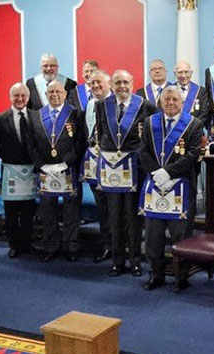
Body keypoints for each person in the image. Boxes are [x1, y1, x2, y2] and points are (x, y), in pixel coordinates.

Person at [138, 85, 205, 291]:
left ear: (182, 102)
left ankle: (181, 276)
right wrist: (156, 174)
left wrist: (169, 173)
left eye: (175, 99)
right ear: (160, 102)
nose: (171, 103)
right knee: (153, 237)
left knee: (181, 236)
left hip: (181, 186)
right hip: (155, 186)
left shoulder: (194, 124)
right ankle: (155, 274)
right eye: (166, 99)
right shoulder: (150, 122)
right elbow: (143, 151)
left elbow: (193, 154)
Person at [96, 70, 157, 277]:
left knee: (133, 218)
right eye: (117, 82)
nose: (122, 86)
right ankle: (117, 261)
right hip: (111, 170)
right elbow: (101, 133)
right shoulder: (103, 105)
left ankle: (136, 261)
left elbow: (151, 137)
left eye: (125, 82)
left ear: (132, 83)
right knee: (114, 217)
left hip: (134, 168)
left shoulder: (145, 105)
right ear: (111, 85)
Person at [32, 80, 89, 262]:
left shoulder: (75, 114)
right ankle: (51, 246)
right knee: (48, 211)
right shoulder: (36, 116)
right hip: (46, 170)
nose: (54, 95)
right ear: (46, 95)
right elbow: (30, 144)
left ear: (65, 94)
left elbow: (80, 142)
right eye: (51, 92)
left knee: (71, 211)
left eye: (58, 91)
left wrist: (66, 163)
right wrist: (42, 164)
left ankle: (71, 246)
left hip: (68, 169)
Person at [0, 83, 42, 259]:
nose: (20, 99)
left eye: (23, 96)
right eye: (16, 96)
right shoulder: (0, 118)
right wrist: (13, 159)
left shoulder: (36, 117)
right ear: (10, 96)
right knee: (11, 211)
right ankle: (14, 245)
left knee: (29, 210)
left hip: (31, 170)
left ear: (28, 98)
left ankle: (27, 243)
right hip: (11, 169)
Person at [82, 71, 116, 263]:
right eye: (92, 83)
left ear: (109, 83)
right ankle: (106, 245)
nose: (95, 86)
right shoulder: (89, 104)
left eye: (99, 82)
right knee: (102, 208)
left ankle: (119, 246)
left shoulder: (116, 104)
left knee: (115, 208)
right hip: (93, 163)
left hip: (114, 165)